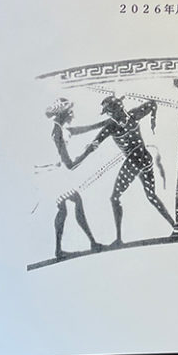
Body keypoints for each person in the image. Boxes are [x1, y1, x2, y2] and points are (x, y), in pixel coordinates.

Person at [69, 95, 174, 245]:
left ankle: (119, 239)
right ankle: (174, 226)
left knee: (115, 198)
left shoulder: (112, 126)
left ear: (114, 111)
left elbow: (93, 146)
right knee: (151, 196)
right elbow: (152, 104)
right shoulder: (133, 115)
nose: (110, 115)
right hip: (145, 158)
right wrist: (153, 120)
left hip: (134, 161)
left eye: (109, 112)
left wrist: (78, 160)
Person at [45, 97, 103, 257]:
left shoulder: (61, 129)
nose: (73, 115)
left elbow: (80, 129)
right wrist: (88, 151)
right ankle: (90, 243)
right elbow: (70, 164)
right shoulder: (57, 132)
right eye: (70, 112)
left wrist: (102, 124)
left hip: (53, 174)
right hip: (51, 175)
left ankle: (61, 249)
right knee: (71, 204)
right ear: (62, 114)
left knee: (65, 208)